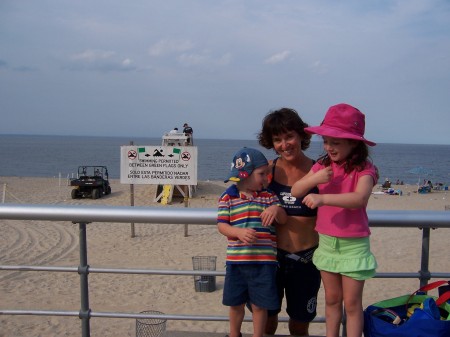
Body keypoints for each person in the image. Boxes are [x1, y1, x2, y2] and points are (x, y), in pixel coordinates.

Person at [291, 103, 378, 337]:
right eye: (326, 141)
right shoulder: (322, 165)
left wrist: (323, 198)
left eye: (336, 142)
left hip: (354, 244)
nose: (329, 147)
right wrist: (315, 178)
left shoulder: (365, 169)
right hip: (328, 241)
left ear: (354, 142)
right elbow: (296, 190)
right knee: (331, 298)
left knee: (351, 302)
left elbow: (359, 199)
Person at [257, 108, 321, 336]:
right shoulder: (268, 172)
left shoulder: (318, 171)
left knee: (299, 325)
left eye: (289, 136)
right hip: (270, 259)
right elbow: (242, 195)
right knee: (266, 320)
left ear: (302, 136)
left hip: (306, 261)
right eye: (277, 139)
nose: (284, 144)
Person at [217, 147, 287, 337]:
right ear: (245, 174)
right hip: (237, 263)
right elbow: (222, 226)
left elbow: (283, 219)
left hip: (264, 263)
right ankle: (234, 334)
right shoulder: (228, 197)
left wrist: (276, 210)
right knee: (235, 304)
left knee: (260, 305)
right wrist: (237, 232)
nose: (266, 178)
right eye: (261, 174)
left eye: (267, 173)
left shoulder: (268, 197)